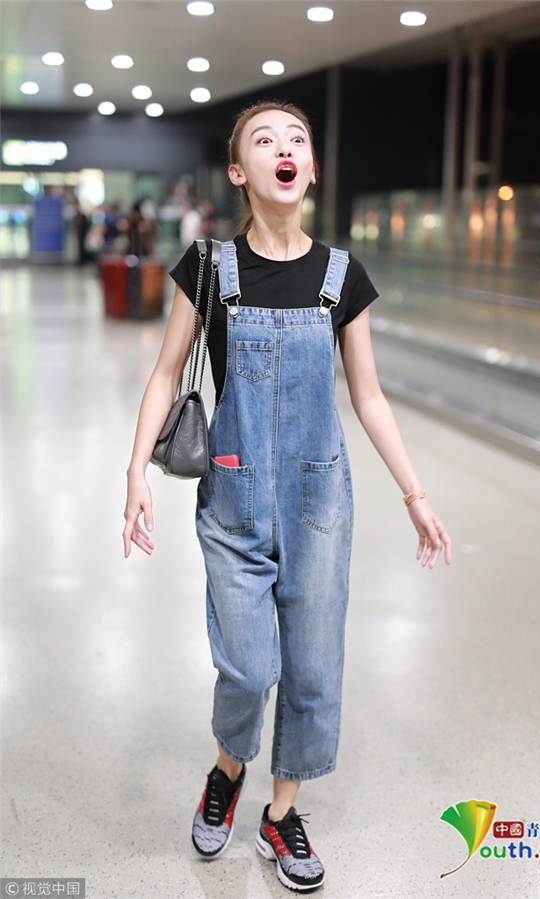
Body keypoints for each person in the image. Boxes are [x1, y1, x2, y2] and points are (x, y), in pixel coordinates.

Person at [123, 100, 451, 893]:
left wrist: (414, 492)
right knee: (247, 667)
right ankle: (228, 767)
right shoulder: (209, 267)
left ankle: (281, 814)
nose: (285, 148)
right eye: (265, 139)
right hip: (233, 495)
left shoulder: (342, 277)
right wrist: (135, 470)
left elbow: (368, 395)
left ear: (309, 169)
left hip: (318, 502)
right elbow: (165, 373)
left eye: (297, 139)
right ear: (240, 171)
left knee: (311, 664)